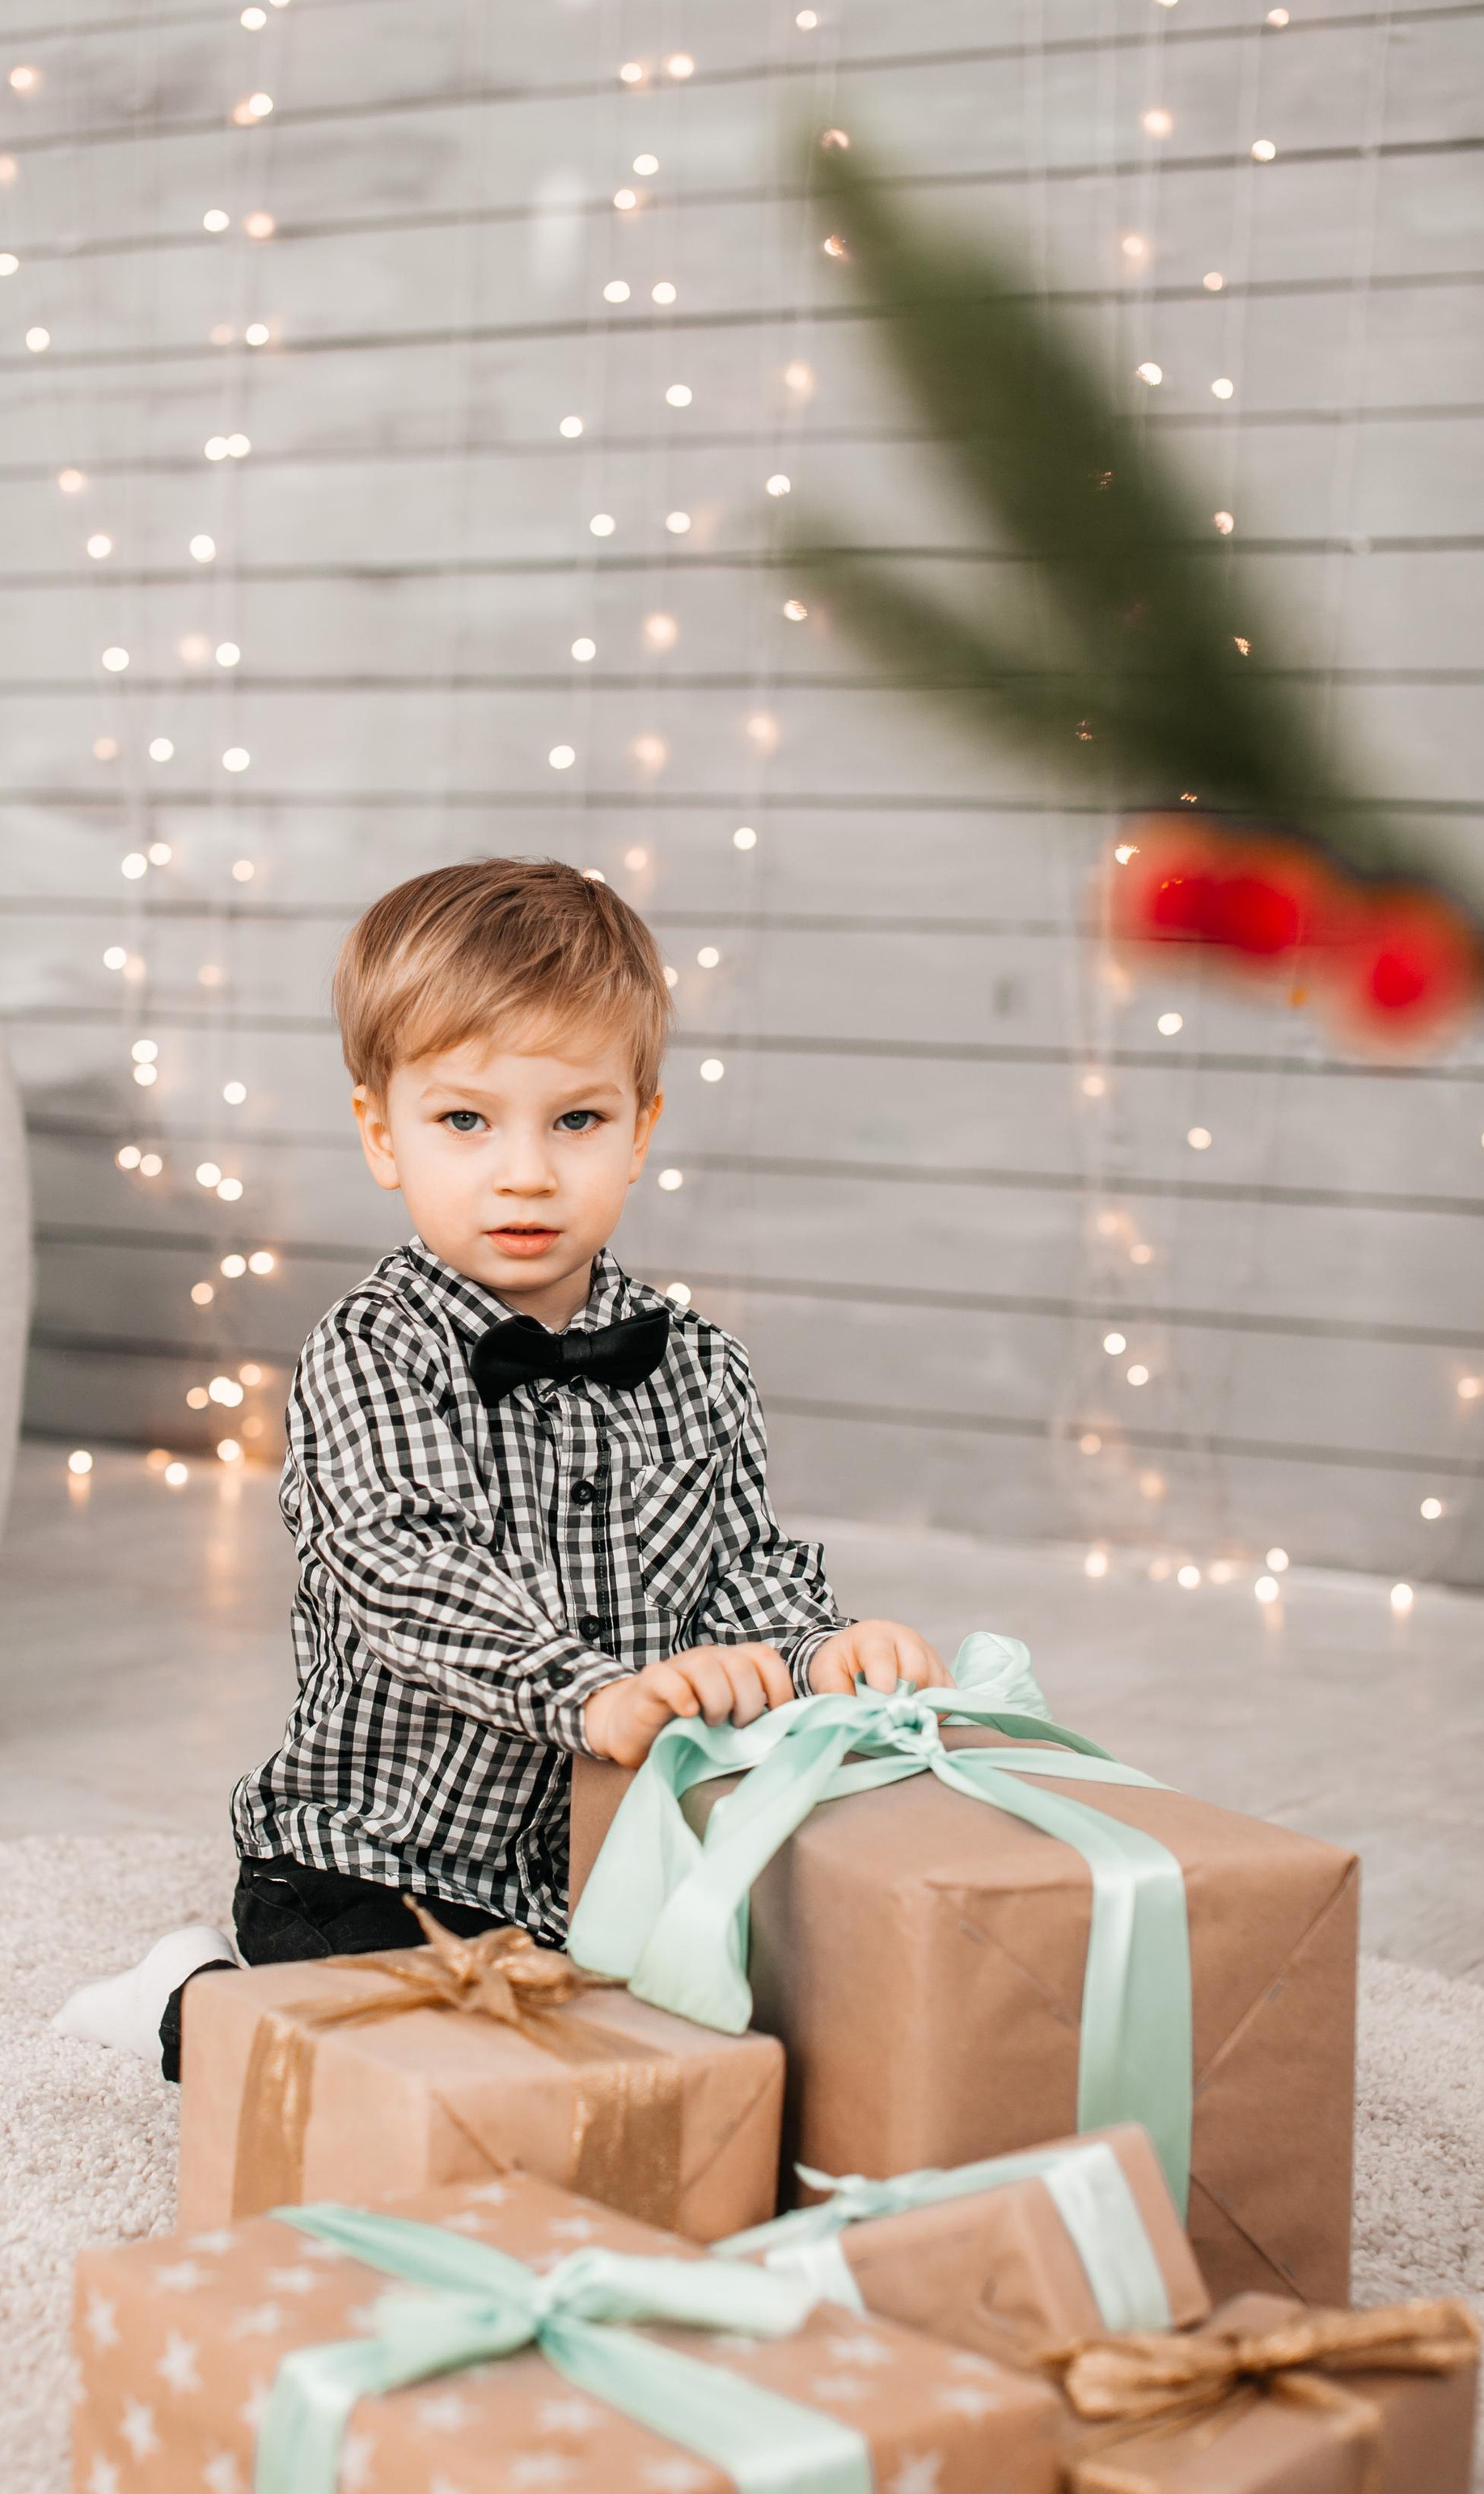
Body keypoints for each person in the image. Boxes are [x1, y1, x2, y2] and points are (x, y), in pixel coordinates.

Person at [54, 857, 947, 2071]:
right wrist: (591, 1695)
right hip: (379, 1856)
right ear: (384, 1134)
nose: (525, 1171)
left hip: (607, 1863)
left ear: (640, 1131)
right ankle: (186, 1995)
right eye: (465, 1121)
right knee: (405, 2079)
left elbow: (741, 1573)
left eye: (576, 1121)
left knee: (697, 2068)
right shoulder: (372, 1351)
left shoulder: (699, 1367)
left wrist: (816, 1654)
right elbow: (405, 1570)